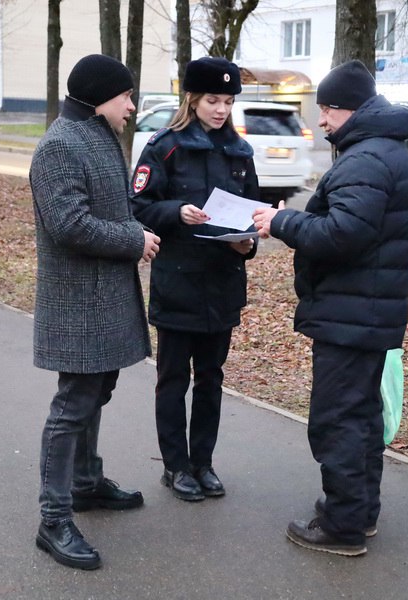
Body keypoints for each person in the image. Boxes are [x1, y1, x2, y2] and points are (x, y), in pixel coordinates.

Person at [252, 60, 408, 556]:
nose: (321, 120)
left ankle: (342, 527)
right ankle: (359, 512)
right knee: (362, 417)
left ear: (348, 109)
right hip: (366, 312)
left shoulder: (366, 158)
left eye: (326, 110)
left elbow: (342, 235)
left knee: (339, 421)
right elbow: (354, 225)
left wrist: (282, 223)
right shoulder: (383, 151)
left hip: (352, 314)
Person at [29, 53, 161, 570]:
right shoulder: (60, 144)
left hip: (104, 298)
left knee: (95, 392)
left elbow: (114, 207)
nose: (132, 106)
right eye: (127, 95)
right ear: (102, 95)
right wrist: (135, 239)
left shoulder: (99, 135)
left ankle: (84, 483)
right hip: (78, 302)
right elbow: (71, 225)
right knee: (73, 405)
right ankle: (53, 518)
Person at [130, 57, 260, 502]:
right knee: (172, 380)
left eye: (227, 101)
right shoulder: (164, 146)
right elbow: (139, 206)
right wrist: (175, 212)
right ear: (192, 99)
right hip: (178, 280)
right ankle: (175, 467)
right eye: (212, 100)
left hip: (222, 281)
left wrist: (248, 243)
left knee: (211, 378)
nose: (221, 109)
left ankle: (203, 464)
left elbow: (254, 214)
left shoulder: (240, 153)